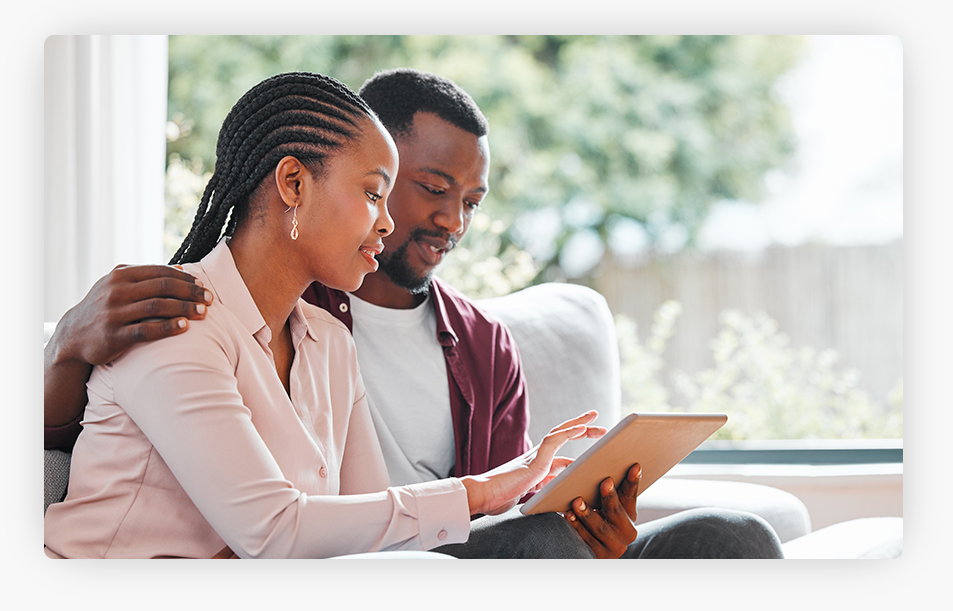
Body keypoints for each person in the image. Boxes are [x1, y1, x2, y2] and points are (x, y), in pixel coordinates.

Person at [45, 69, 784, 559]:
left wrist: (549, 507)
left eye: (471, 201)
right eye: (378, 192)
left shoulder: (326, 341)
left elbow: (368, 532)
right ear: (293, 184)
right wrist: (66, 350)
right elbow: (275, 528)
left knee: (730, 538)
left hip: (378, 570)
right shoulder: (173, 319)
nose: (388, 224)